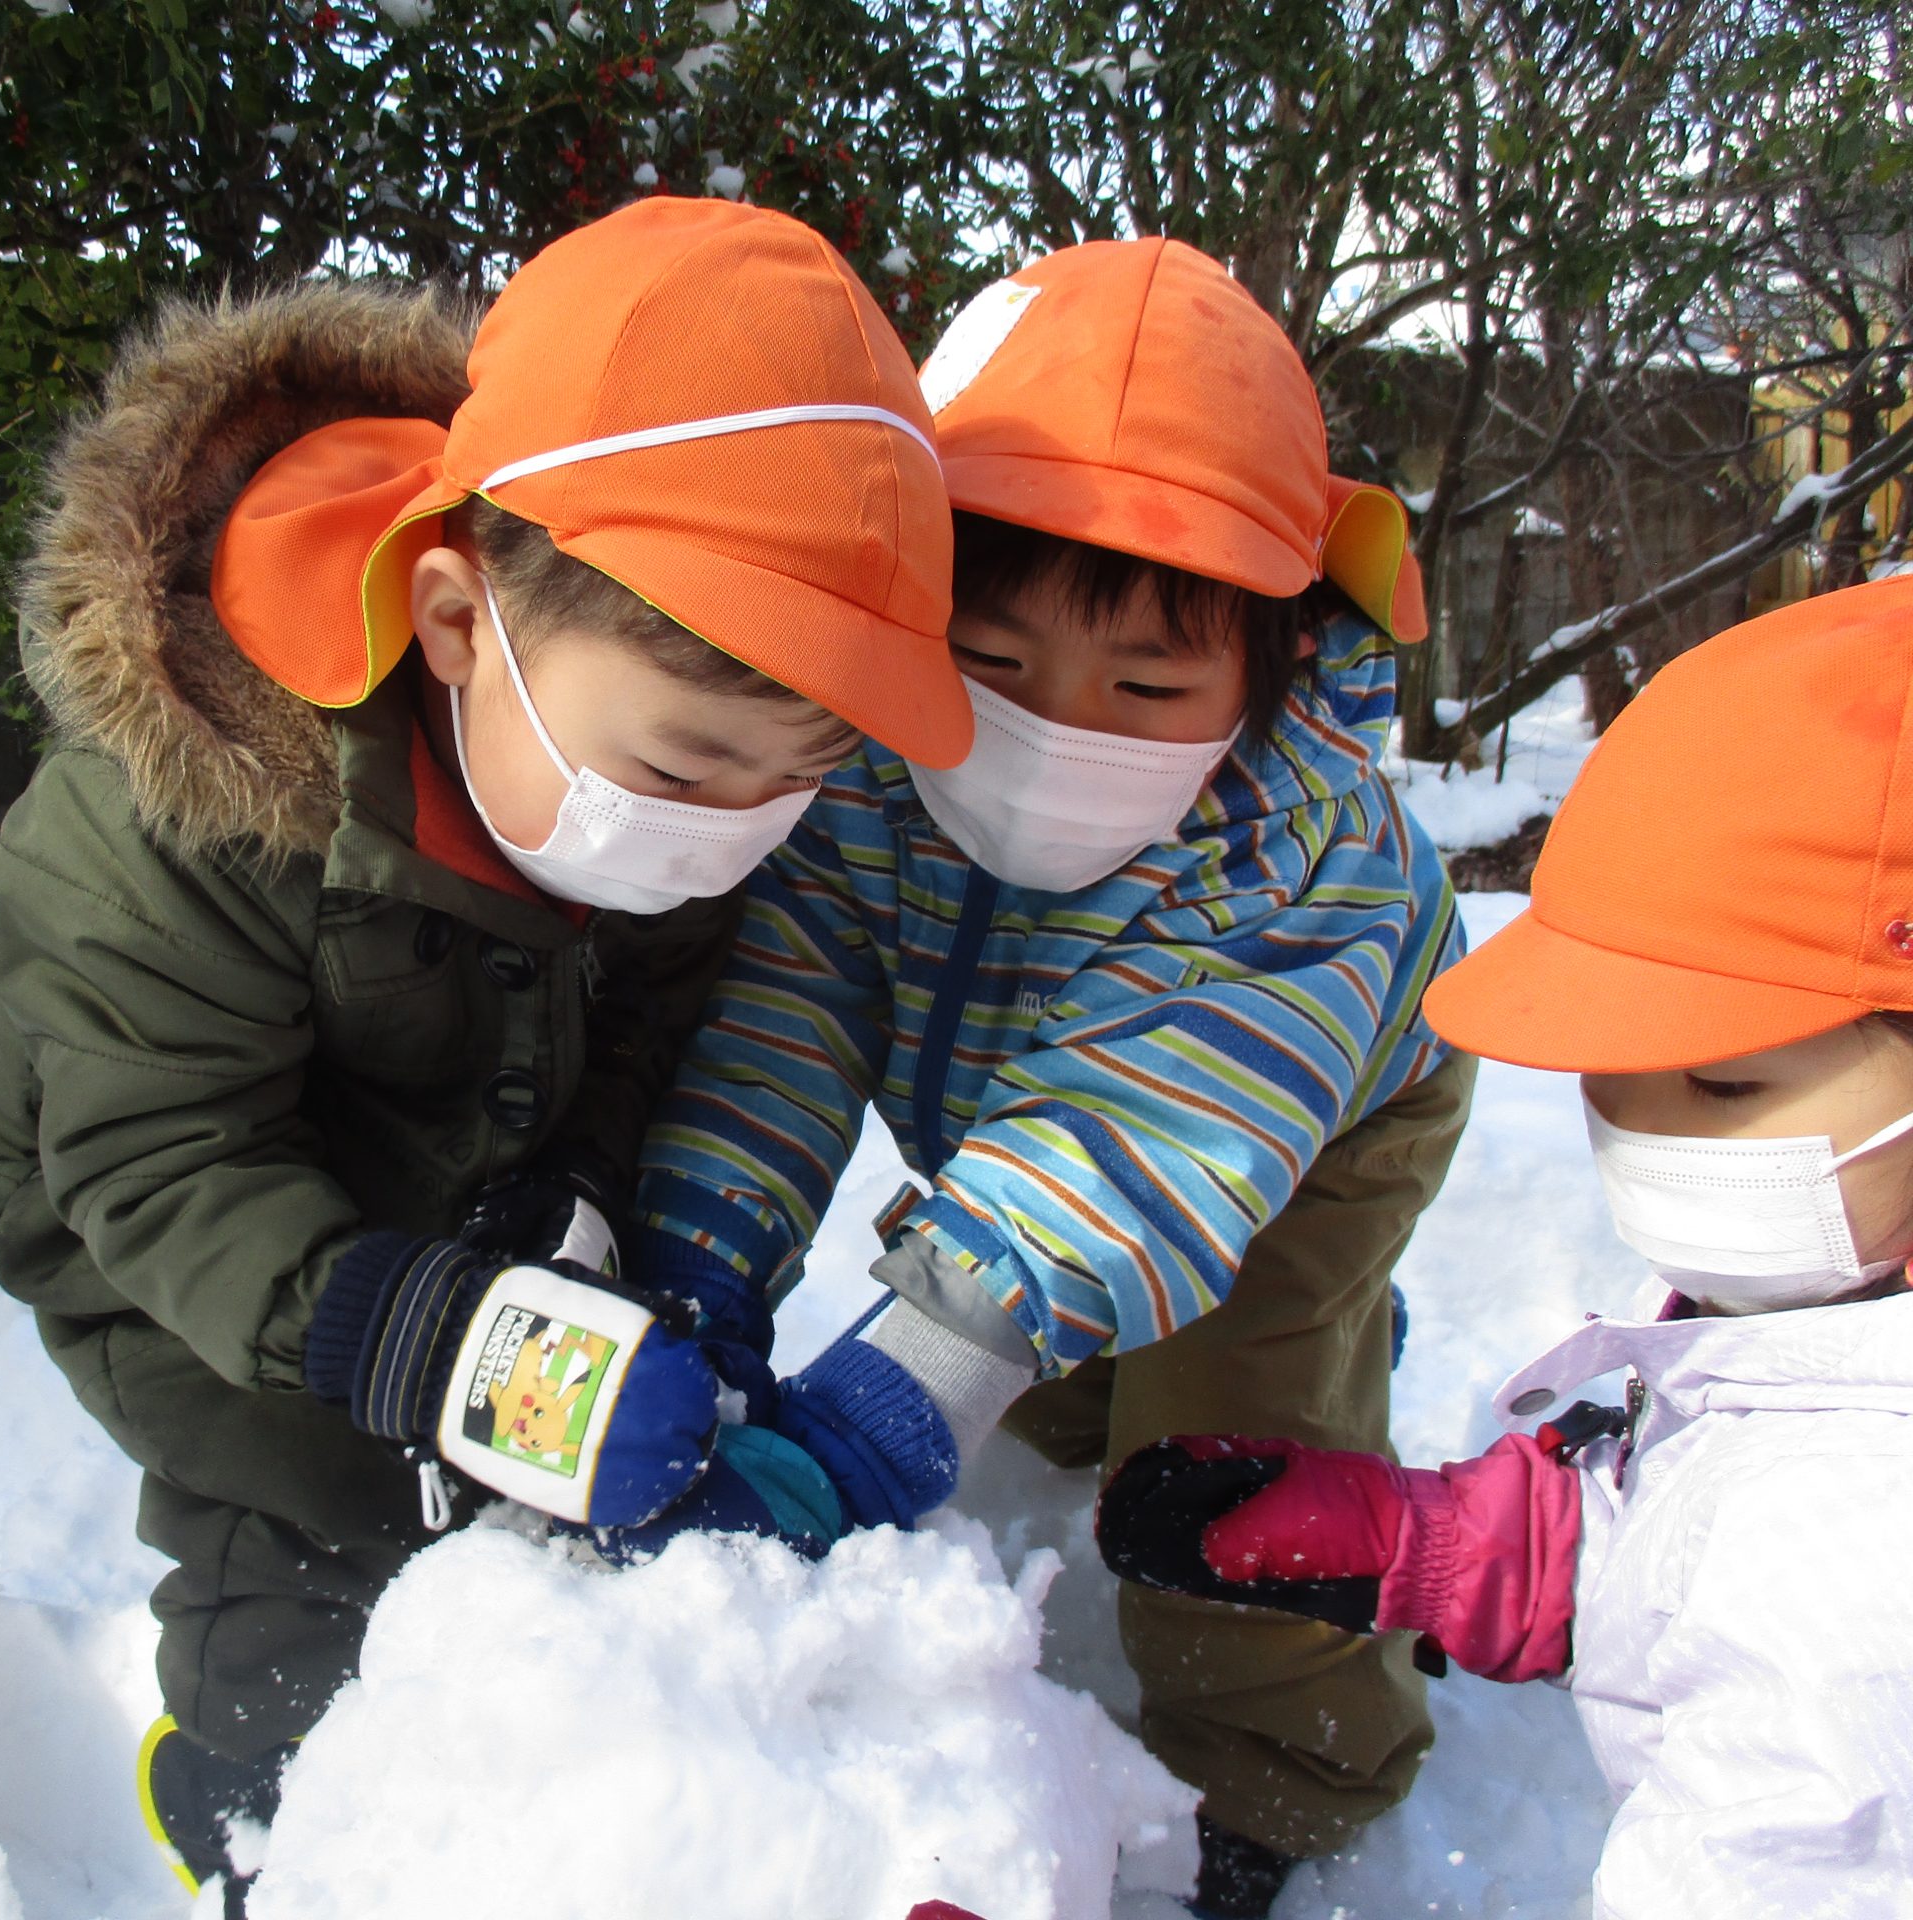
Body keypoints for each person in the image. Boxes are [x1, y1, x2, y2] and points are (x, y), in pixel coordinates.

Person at [0, 196, 971, 1909]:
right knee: (313, 1512)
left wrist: (573, 1184)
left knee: (533, 1477)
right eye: (692, 766)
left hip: (476, 1158)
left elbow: (653, 1018)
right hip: (178, 1236)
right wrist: (420, 1335)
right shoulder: (181, 809)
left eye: (788, 786)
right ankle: (239, 1777)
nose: (730, 835)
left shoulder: (615, 770)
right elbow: (147, 1156)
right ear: (450, 621)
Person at [616, 238, 1474, 1920]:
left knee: (1219, 1443)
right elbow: (793, 1015)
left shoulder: (1309, 864)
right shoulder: (861, 772)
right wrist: (705, 1258)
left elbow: (1140, 1137)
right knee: (1060, 1321)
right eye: (994, 667)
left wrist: (892, 1403)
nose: (1057, 728)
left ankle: (1282, 1765)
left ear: (1274, 665)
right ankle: (1083, 1338)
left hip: (1302, 1130)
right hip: (1014, 1076)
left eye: (1148, 688)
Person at [1098, 577, 1913, 1918]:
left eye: (1719, 1085)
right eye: (1611, 1062)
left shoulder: (1860, 1630)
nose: (1640, 1127)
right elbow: (1712, 1555)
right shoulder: (1817, 1319)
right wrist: (1443, 1549)